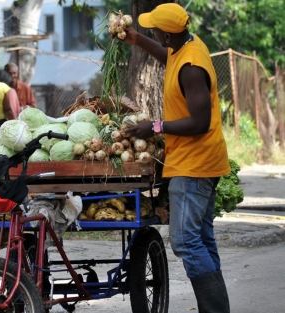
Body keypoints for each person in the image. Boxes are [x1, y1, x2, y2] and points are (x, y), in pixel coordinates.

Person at [122, 4, 231, 312]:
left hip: (194, 165)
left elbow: (200, 122)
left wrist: (154, 126)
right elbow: (166, 55)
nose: (151, 31)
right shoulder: (184, 46)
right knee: (202, 240)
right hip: (198, 162)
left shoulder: (192, 67)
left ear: (168, 32)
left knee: (186, 242)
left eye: (154, 29)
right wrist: (138, 40)